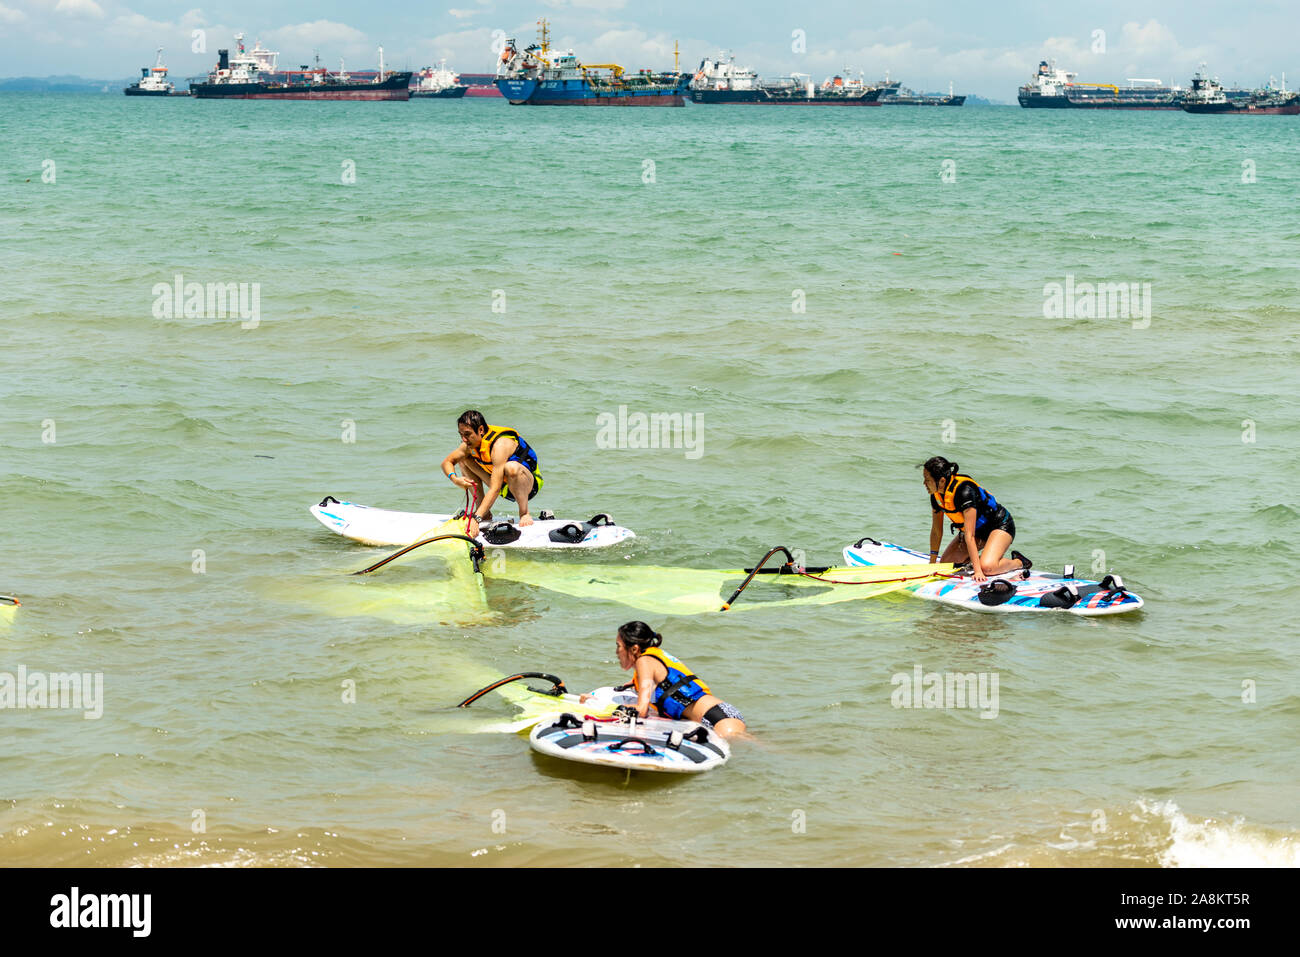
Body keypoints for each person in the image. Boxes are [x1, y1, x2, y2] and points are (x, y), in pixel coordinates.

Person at [597, 621, 747, 738]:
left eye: (619, 646)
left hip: (716, 718)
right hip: (719, 713)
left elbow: (641, 711)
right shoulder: (653, 658)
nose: (617, 652)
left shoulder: (644, 661)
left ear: (634, 649)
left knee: (750, 751)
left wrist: (601, 709)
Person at [920, 456, 1029, 581]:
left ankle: (1019, 562)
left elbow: (969, 535)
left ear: (942, 481)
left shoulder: (964, 492)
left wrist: (978, 571)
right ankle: (979, 560)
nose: (924, 483)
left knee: (987, 568)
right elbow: (936, 531)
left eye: (927, 480)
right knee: (946, 564)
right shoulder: (936, 497)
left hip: (999, 525)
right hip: (977, 533)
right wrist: (932, 564)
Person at [440, 410, 543, 538]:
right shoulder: (468, 444)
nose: (464, 439)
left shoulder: (499, 446)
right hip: (504, 487)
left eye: (467, 434)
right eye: (461, 434)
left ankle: (524, 513)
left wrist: (476, 519)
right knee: (464, 459)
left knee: (511, 468)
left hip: (527, 486)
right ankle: (485, 512)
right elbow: (447, 462)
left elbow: (495, 488)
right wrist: (455, 479)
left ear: (481, 430)